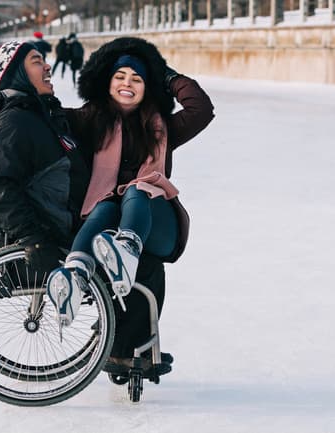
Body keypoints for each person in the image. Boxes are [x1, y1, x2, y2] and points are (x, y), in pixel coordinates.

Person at [49, 37, 215, 374]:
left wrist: (166, 76)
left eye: (137, 79)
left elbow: (201, 109)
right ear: (107, 82)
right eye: (120, 76)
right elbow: (46, 118)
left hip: (156, 223)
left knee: (139, 189)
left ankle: (128, 245)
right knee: (107, 206)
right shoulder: (89, 121)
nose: (128, 84)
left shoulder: (162, 128)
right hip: (106, 227)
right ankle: (77, 277)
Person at [0, 40, 89, 287]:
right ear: (17, 74)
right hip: (59, 237)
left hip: (76, 221)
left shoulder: (40, 114)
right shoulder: (14, 122)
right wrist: (32, 237)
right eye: (37, 61)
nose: (47, 67)